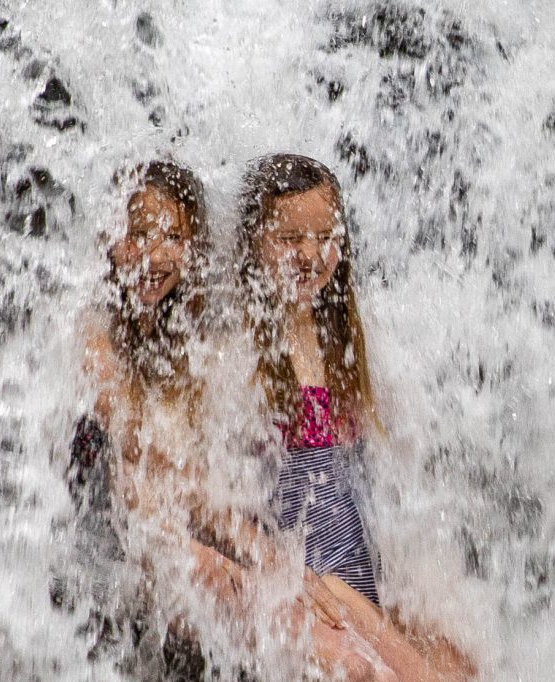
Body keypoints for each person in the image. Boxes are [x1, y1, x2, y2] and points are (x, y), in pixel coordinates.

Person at [68, 159, 396, 681]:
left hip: (198, 539)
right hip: (132, 556)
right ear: (107, 235)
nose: (154, 255)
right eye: (138, 235)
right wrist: (268, 563)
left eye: (173, 235)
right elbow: (147, 468)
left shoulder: (186, 340)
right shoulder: (94, 337)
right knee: (354, 663)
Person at [235, 153, 478, 681]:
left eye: (326, 236)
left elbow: (388, 483)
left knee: (463, 667)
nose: (311, 254)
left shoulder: (349, 342)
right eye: (290, 238)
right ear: (254, 243)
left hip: (363, 575)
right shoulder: (238, 351)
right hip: (310, 578)